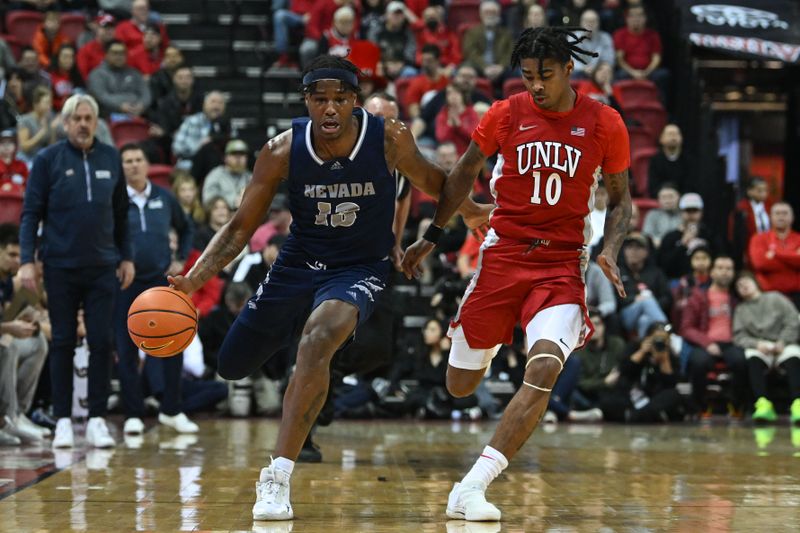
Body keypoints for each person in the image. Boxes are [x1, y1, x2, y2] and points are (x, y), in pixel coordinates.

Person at [168, 56, 490, 521]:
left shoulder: (388, 138)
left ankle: (277, 477)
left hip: (359, 266)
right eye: (321, 100)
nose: (331, 108)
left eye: (341, 98)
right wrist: (194, 279)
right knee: (232, 364)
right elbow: (240, 227)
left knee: (319, 339)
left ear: (355, 101)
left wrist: (469, 211)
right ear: (307, 102)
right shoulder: (281, 150)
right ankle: (292, 334)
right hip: (298, 263)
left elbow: (438, 183)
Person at [401, 27, 631, 521]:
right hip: (502, 256)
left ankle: (472, 485)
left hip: (561, 264)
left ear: (569, 70)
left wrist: (611, 247)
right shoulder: (506, 112)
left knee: (545, 366)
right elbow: (463, 172)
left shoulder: (604, 121)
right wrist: (434, 233)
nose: (537, 86)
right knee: (460, 385)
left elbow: (620, 198)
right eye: (528, 77)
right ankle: (487, 344)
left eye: (545, 75)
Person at [19, 94, 134, 449]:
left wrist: (126, 257)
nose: (83, 124)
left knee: (101, 341)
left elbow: (121, 214)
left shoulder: (111, 157)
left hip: (102, 266)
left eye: (89, 118)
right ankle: (63, 419)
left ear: (96, 122)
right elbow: (30, 214)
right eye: (77, 118)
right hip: (60, 266)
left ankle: (97, 418)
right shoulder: (47, 159)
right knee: (64, 342)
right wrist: (26, 260)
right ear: (65, 123)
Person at [113, 143, 196, 436]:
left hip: (161, 282)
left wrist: (180, 259)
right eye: (127, 161)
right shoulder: (115, 200)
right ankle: (133, 412)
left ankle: (172, 410)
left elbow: (187, 228)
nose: (133, 165)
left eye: (138, 159)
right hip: (125, 283)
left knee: (174, 344)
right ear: (121, 167)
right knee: (127, 349)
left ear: (147, 165)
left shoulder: (165, 197)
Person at [0, 223, 49, 445]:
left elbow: (13, 315)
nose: (17, 261)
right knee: (6, 344)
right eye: (11, 254)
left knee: (38, 342)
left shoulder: (7, 282)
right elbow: (7, 326)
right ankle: (6, 417)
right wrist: (10, 328)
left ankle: (18, 414)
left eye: (20, 256)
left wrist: (33, 324)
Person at [679, 255, 747, 415]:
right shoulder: (698, 296)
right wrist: (707, 343)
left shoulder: (736, 298)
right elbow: (686, 328)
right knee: (698, 363)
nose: (725, 272)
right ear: (712, 272)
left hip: (732, 343)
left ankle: (736, 405)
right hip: (706, 343)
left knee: (741, 362)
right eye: (720, 268)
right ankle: (701, 406)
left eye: (729, 269)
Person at [733, 272, 800, 425]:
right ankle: (763, 404)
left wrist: (783, 341)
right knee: (752, 358)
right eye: (739, 286)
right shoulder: (740, 310)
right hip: (760, 345)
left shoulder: (775, 298)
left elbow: (793, 320)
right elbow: (739, 336)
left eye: (745, 282)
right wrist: (756, 344)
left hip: (784, 343)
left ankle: (798, 403)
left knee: (794, 357)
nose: (743, 286)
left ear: (755, 282)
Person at [599, 322, 686, 423]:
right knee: (606, 400)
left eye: (663, 339)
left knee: (674, 395)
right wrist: (642, 351)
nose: (659, 341)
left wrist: (664, 358)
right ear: (647, 337)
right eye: (656, 338)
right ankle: (650, 415)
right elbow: (624, 370)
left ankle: (633, 416)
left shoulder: (669, 354)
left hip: (654, 398)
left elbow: (671, 383)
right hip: (631, 396)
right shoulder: (635, 347)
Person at [612, 5, 670, 104]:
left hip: (649, 72)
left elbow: (656, 58)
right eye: (632, 16)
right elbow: (620, 59)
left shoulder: (653, 35)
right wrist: (633, 73)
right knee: (618, 76)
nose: (636, 19)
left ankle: (661, 109)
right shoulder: (620, 34)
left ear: (645, 18)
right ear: (627, 19)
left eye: (639, 16)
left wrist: (646, 72)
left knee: (664, 75)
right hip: (628, 72)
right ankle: (620, 108)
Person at [748, 202, 800, 308]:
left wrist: (775, 253)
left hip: (797, 296)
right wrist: (793, 256)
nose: (781, 216)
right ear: (770, 216)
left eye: (785, 213)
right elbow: (760, 263)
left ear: (792, 217)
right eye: (777, 213)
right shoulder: (758, 238)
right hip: (767, 295)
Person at [87, 40, 151, 118]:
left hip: (137, 113)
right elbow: (102, 96)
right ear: (106, 55)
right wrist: (120, 106)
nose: (119, 57)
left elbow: (146, 93)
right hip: (108, 116)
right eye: (115, 53)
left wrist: (142, 105)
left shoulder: (134, 73)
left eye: (122, 53)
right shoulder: (97, 74)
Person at [462, 1, 513, 86]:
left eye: (493, 12)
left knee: (518, 71)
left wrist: (501, 67)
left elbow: (510, 52)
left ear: (498, 14)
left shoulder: (506, 33)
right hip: (479, 66)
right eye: (487, 12)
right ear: (481, 14)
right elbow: (470, 52)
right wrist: (485, 67)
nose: (490, 15)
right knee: (465, 69)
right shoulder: (472, 32)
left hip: (500, 68)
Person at [730, 176, 772, 268]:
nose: (763, 194)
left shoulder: (770, 208)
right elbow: (738, 236)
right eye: (759, 190)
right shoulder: (741, 209)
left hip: (768, 248)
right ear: (749, 191)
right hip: (749, 249)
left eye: (765, 190)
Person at [201, 139, 252, 210]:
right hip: (222, 216)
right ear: (225, 158)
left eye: (242, 155)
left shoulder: (250, 177)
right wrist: (232, 202)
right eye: (234, 154)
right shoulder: (216, 175)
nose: (238, 159)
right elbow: (207, 200)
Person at [647, 123, 694, 198]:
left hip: (682, 199)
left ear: (681, 138)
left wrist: (678, 196)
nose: (673, 137)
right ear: (661, 139)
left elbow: (690, 185)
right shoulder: (655, 160)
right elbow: (652, 186)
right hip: (660, 198)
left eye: (676, 134)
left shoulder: (688, 160)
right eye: (669, 134)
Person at [642, 183, 681, 248]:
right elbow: (647, 236)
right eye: (664, 197)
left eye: (671, 197)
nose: (667, 201)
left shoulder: (684, 214)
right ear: (658, 200)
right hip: (658, 249)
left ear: (679, 197)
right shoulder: (652, 215)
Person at [49, 44, 85, 111]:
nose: (69, 60)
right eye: (65, 57)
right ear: (58, 58)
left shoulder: (78, 77)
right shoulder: (50, 76)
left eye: (71, 57)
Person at [0, 129, 28, 194]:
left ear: (16, 146)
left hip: (18, 200)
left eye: (10, 142)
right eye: (2, 142)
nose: (6, 145)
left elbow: (28, 185)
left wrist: (17, 187)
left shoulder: (22, 165)